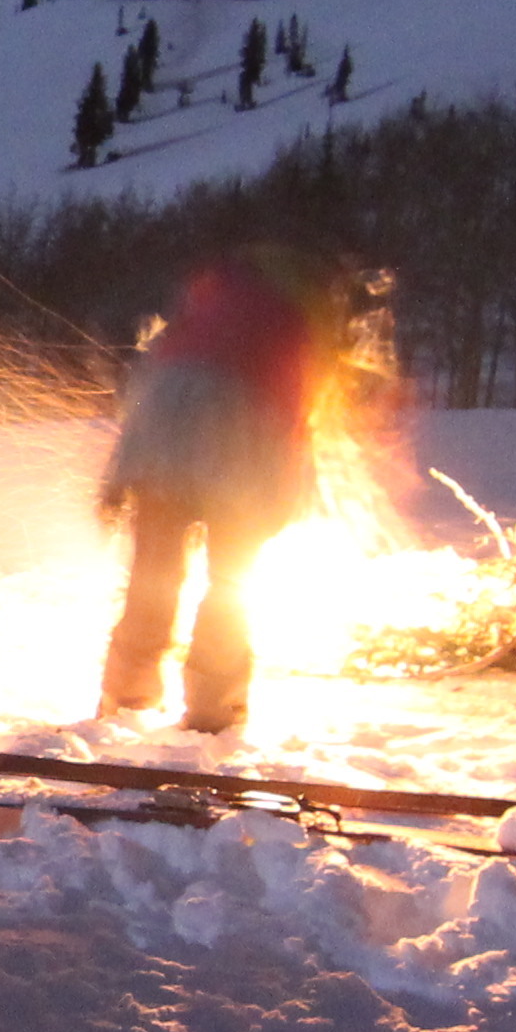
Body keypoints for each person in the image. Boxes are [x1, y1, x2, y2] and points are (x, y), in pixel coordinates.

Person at [95, 247, 338, 736]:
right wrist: (281, 495)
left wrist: (121, 476)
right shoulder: (296, 317)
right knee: (230, 578)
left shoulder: (204, 304)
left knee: (154, 570)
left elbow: (153, 389)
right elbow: (295, 407)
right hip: (243, 436)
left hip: (165, 430)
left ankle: (126, 699)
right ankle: (212, 712)